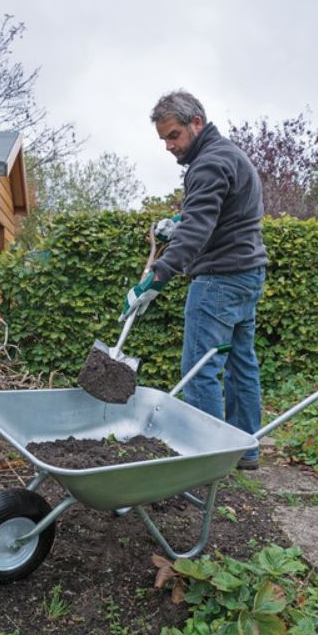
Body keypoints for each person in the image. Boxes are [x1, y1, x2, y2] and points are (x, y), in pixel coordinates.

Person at [121, 90, 268, 470]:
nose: (169, 146)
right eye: (164, 139)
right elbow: (222, 213)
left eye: (173, 135)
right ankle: (245, 450)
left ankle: (207, 459)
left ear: (196, 123)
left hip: (219, 280)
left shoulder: (206, 164)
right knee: (242, 364)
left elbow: (199, 230)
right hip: (248, 275)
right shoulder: (231, 155)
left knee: (200, 370)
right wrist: (180, 221)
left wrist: (155, 278)